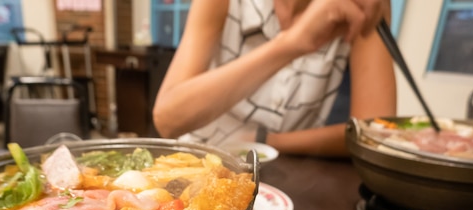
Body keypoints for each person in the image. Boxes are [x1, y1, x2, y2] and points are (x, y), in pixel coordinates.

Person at [152, 0, 397, 157]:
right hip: (196, 163)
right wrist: (292, 44)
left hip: (286, 178)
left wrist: (265, 141)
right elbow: (168, 119)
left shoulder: (362, 8)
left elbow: (374, 134)